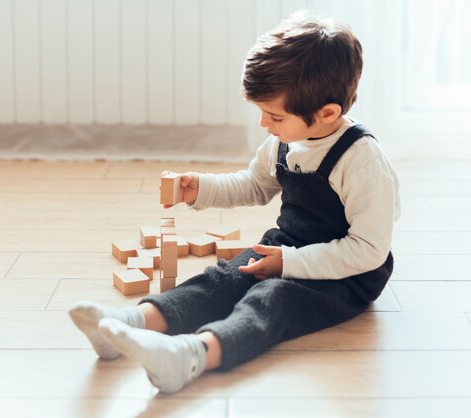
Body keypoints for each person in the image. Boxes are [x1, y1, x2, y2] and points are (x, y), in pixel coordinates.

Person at [69, 11, 400, 394]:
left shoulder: (361, 161)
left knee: (272, 299)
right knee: (222, 279)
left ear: (327, 113)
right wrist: (201, 189)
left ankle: (191, 355)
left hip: (348, 272)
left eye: (273, 115)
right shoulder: (283, 138)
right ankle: (128, 324)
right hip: (286, 245)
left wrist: (290, 264)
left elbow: (369, 250)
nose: (264, 124)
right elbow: (254, 184)